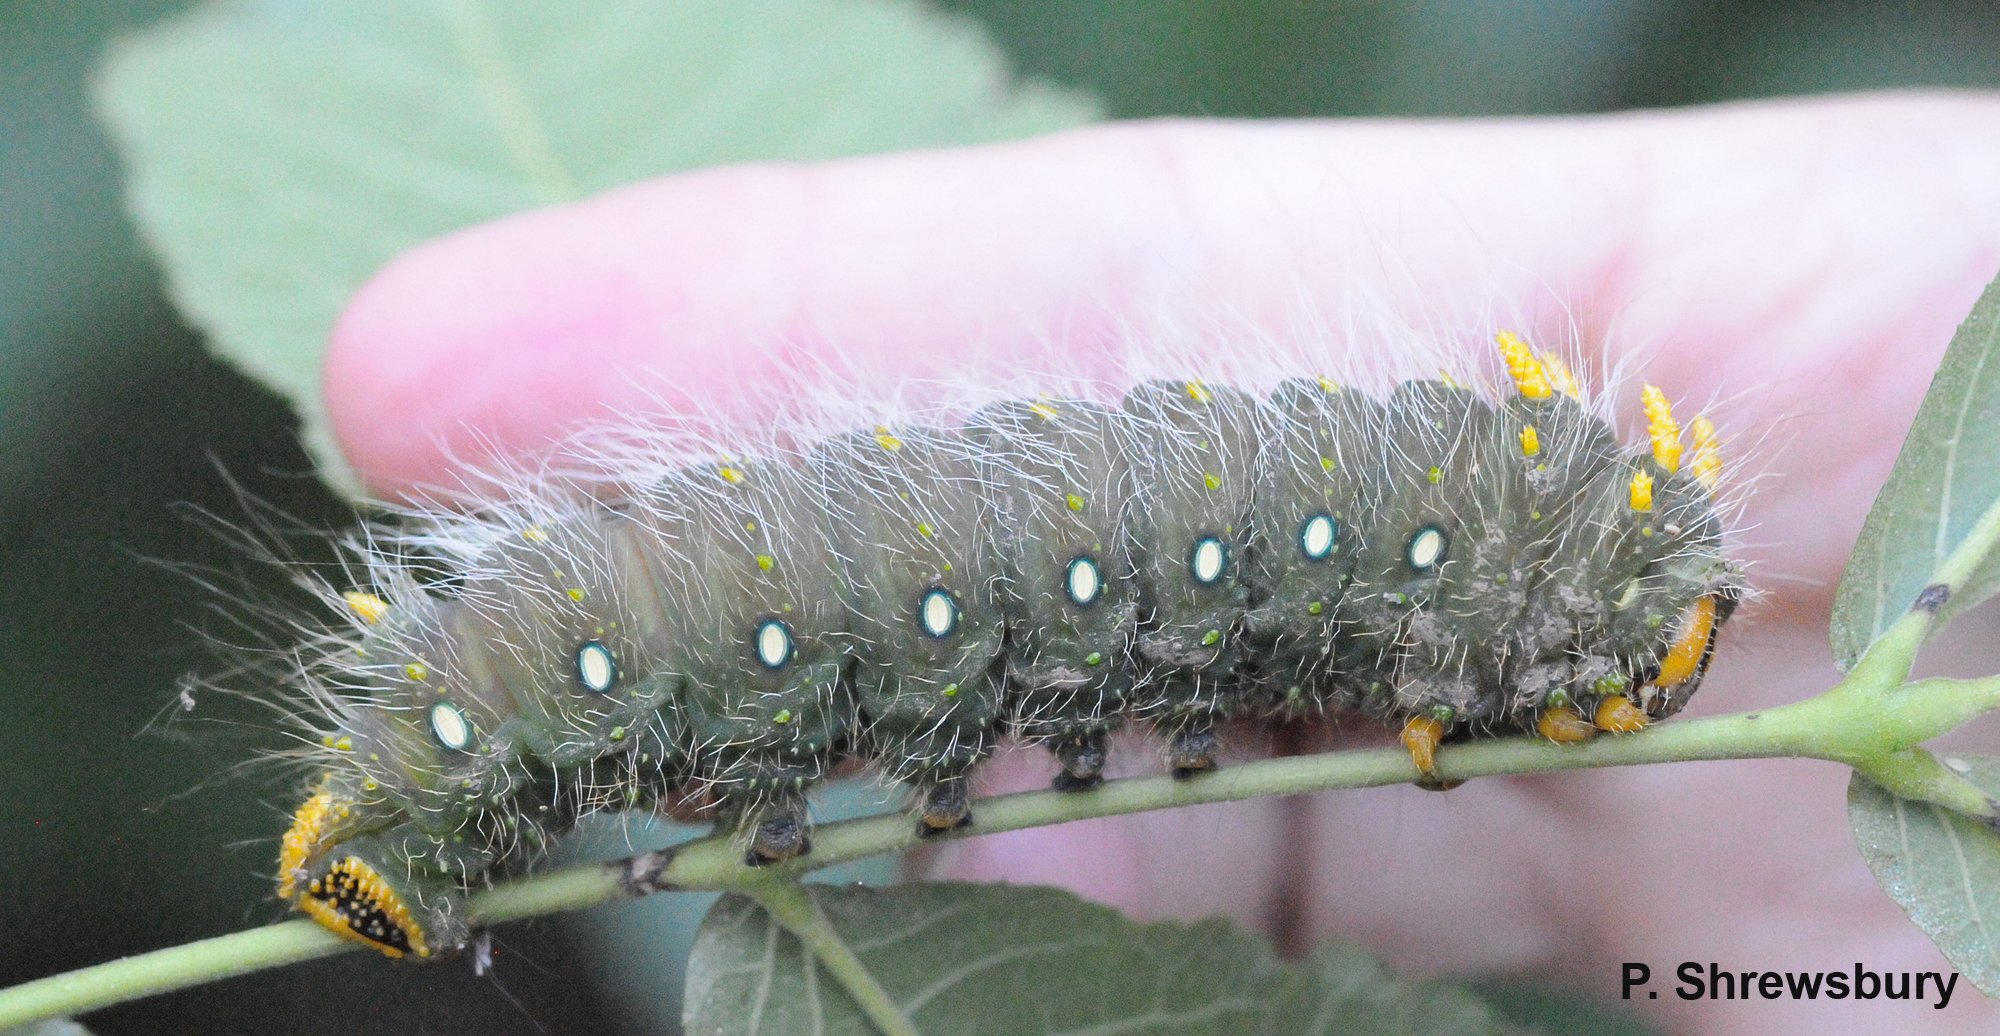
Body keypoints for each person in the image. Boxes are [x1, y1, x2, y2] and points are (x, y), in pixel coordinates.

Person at [325, 93, 2000, 1035]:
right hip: (627, 644)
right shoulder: (1441, 561)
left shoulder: (1457, 563)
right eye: (1604, 665)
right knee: (815, 609)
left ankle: (447, 753)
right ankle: (432, 778)